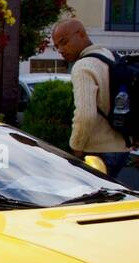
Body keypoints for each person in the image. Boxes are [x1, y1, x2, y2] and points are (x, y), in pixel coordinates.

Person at [51, 17, 129, 173]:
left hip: (97, 152)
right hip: (122, 149)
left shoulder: (83, 66)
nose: (61, 50)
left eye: (64, 42)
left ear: (81, 34)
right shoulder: (112, 57)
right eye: (56, 46)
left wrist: (76, 147)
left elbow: (85, 115)